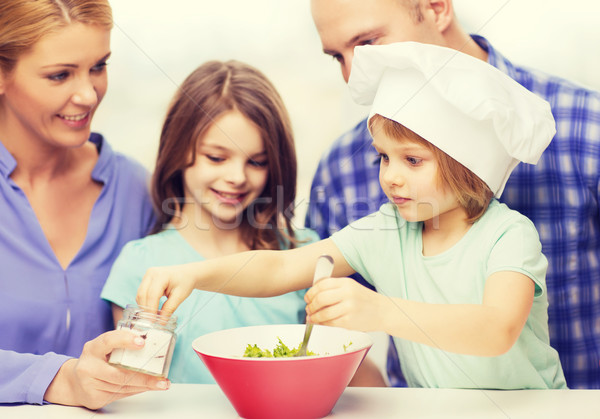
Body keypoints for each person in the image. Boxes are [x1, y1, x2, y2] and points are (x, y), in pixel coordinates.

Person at [136, 42, 567, 390]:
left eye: (413, 161)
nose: (391, 177)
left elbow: (497, 330)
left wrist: (380, 311)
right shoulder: (387, 230)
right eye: (383, 157)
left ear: (467, 164)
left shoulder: (509, 235)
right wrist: (196, 274)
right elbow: (281, 267)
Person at [305, 0, 600, 389]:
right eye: (337, 57)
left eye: (368, 43)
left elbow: (496, 326)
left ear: (436, 8)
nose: (352, 76)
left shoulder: (587, 127)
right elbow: (323, 325)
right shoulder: (342, 167)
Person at [100, 60, 320, 383]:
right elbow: (133, 390)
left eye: (257, 162)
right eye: (216, 158)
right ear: (177, 152)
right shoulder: (139, 264)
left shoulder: (302, 254)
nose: (236, 177)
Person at [0, 0, 169, 409]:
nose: (88, 94)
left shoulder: (137, 190)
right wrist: (60, 380)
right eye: (60, 75)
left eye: (99, 66)